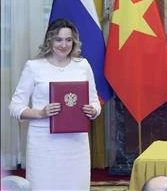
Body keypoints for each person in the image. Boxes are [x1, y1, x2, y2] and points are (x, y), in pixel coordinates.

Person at [8, 18, 101, 191]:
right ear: (49, 41)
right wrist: (40, 113)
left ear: (74, 42)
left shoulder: (83, 65)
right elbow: (15, 107)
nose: (64, 45)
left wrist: (93, 110)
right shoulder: (33, 67)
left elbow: (95, 102)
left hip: (76, 145)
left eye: (68, 40)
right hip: (44, 145)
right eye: (58, 39)